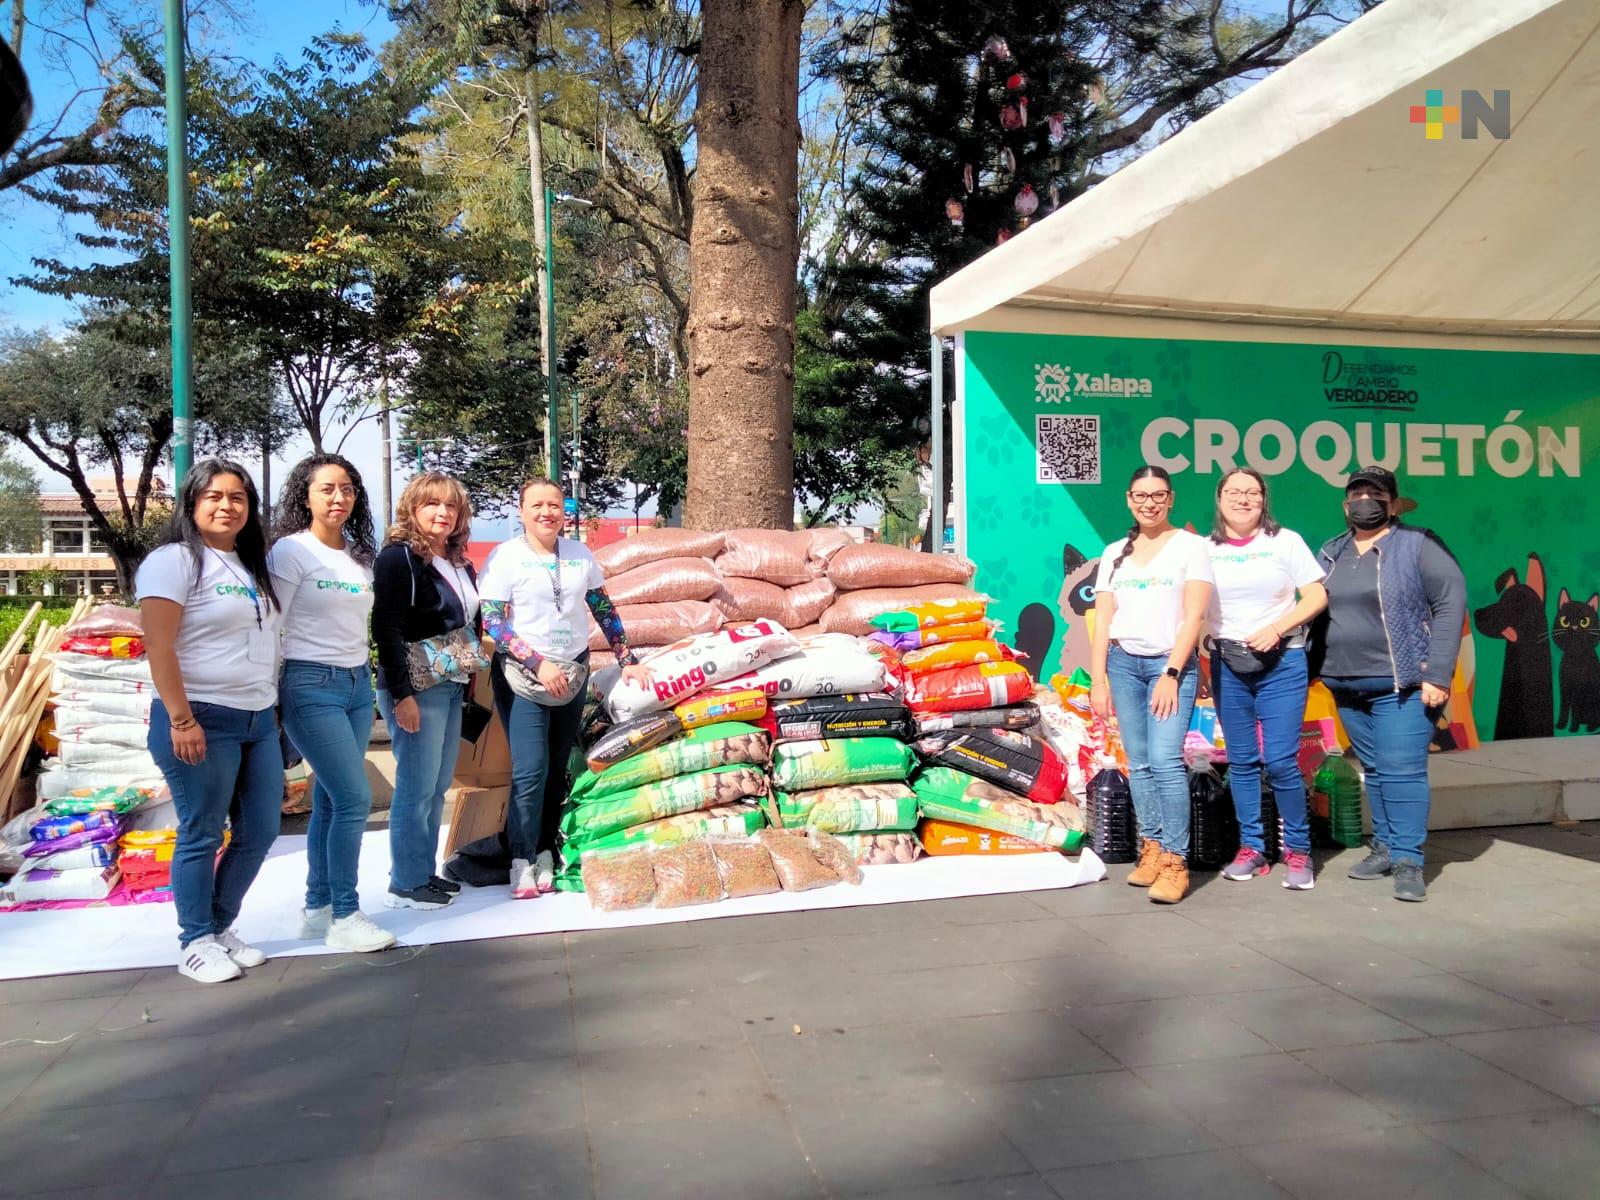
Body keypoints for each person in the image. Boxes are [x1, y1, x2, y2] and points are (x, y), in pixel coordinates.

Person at [139, 459, 282, 984]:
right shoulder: (173, 560)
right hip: (200, 716)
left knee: (261, 829)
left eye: (238, 497)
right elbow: (159, 645)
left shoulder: (250, 565)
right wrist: (181, 720)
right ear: (192, 503)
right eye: (215, 496)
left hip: (257, 719)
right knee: (201, 831)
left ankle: (219, 927)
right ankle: (195, 940)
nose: (227, 506)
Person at [481, 479, 653, 899]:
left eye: (555, 505)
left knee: (558, 767)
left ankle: (544, 850)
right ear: (521, 511)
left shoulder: (579, 554)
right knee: (530, 770)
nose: (547, 513)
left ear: (565, 511)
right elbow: (493, 622)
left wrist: (627, 659)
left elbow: (603, 608)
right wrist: (537, 663)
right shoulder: (505, 557)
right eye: (537, 505)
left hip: (572, 672)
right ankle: (521, 858)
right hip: (525, 676)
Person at [1309, 466, 1465, 903]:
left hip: (1405, 685)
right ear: (1346, 505)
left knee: (1402, 769)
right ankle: (1384, 847)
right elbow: (1311, 608)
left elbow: (1450, 603)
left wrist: (1438, 674)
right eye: (1356, 494)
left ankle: (1409, 860)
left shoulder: (1419, 544)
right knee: (1375, 769)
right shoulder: (1331, 552)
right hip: (1344, 684)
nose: (1365, 501)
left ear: (1393, 504)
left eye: (1375, 494)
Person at [269, 454, 395, 953]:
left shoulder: (358, 556)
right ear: (305, 496)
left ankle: (317, 907)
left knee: (328, 796)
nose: (338, 497)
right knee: (353, 798)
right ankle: (346, 913)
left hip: (356, 685)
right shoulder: (290, 552)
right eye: (326, 489)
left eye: (347, 489)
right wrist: (267, 695)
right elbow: (271, 626)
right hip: (309, 683)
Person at [1089, 465, 1214, 904]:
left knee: (1165, 761)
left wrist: (1172, 674)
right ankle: (1153, 847)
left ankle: (1176, 862)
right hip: (1123, 664)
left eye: (1159, 495)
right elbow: (1103, 620)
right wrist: (1099, 680)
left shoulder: (1192, 547)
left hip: (1169, 665)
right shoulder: (1114, 553)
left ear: (1171, 499)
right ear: (1129, 499)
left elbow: (1194, 617)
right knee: (1139, 763)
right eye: (1141, 495)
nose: (1150, 503)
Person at [1206, 468, 1328, 890]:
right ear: (1219, 498)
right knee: (1241, 762)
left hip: (1283, 662)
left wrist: (1277, 628)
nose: (1243, 499)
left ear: (1264, 499)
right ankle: (1252, 848)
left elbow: (1316, 595)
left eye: (1252, 492)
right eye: (1234, 491)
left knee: (1280, 761)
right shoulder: (1204, 550)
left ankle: (1298, 850)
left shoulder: (1285, 541)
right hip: (1228, 664)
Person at [371, 471, 485, 910]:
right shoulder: (399, 558)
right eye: (432, 504)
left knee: (437, 787)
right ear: (412, 509)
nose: (443, 513)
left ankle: (423, 872)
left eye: (451, 505)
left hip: (451, 684)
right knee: (415, 788)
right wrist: (402, 696)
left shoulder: (457, 561)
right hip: (417, 688)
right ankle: (405, 882)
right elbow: (387, 628)